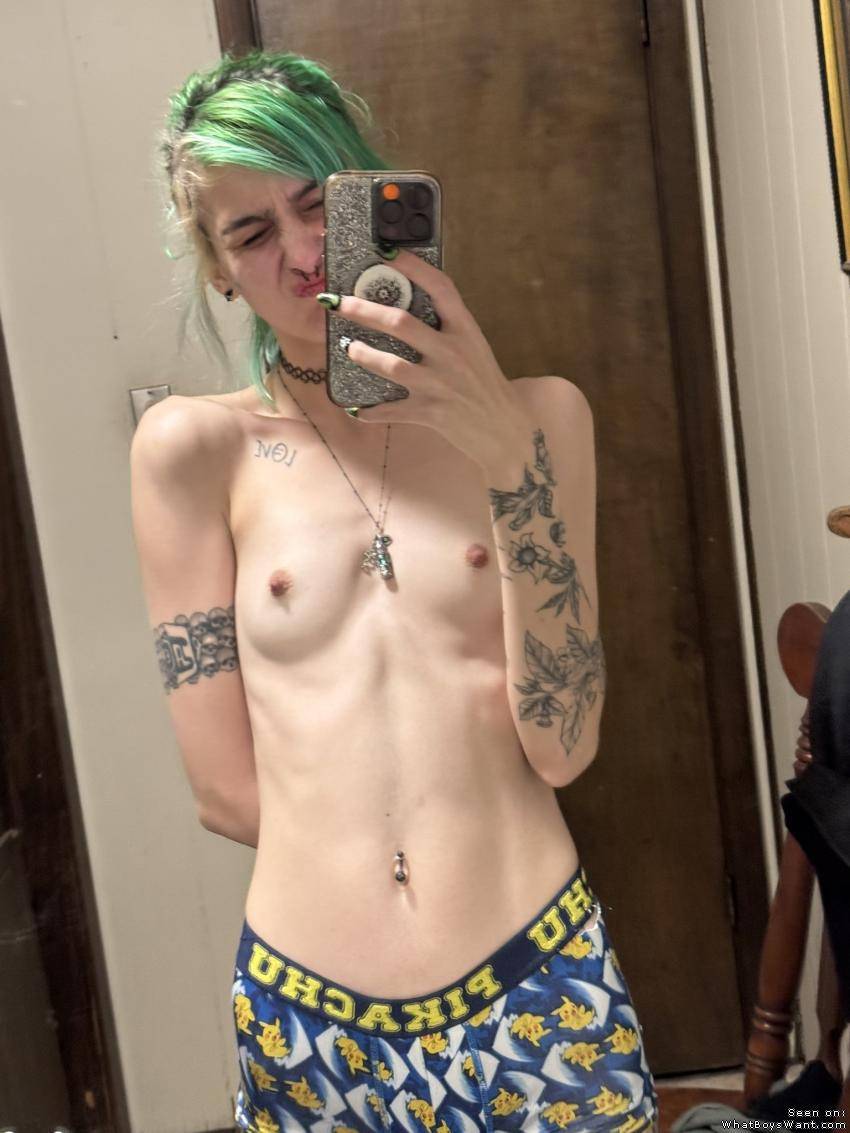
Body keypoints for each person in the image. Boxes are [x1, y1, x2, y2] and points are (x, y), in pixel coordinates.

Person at [131, 47, 660, 1133]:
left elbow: (564, 743)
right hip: (310, 1015)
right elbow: (224, 791)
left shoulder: (540, 417)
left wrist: (505, 458)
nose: (300, 254)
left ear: (374, 200)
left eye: (315, 204)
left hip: (533, 979)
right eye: (251, 233)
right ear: (218, 266)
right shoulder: (192, 453)